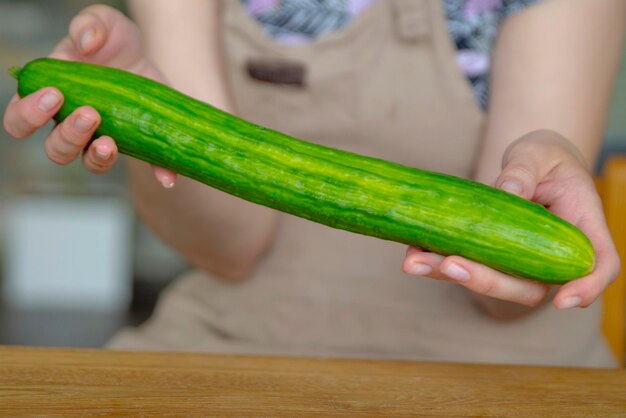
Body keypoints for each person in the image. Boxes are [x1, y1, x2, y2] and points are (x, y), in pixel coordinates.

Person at [3, 0, 624, 367]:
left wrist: (549, 163)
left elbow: (498, 294)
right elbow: (230, 250)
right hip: (237, 340)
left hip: (495, 360)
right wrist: (144, 108)